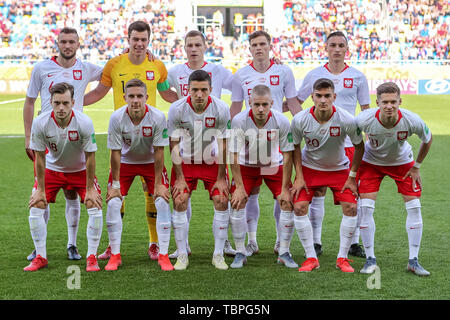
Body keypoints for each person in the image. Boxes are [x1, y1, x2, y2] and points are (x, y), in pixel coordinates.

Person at [84, 21, 178, 261]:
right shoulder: (114, 64)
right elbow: (98, 92)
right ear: (128, 39)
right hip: (122, 136)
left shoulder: (157, 65)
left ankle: (154, 243)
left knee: (153, 192)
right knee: (116, 193)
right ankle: (112, 247)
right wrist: (73, 103)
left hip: (151, 136)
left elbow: (166, 93)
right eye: (135, 39)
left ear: (149, 41)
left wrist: (187, 100)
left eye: (143, 40)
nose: (139, 43)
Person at [23, 27, 103, 262]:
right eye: (63, 41)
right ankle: (40, 248)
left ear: (78, 44)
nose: (67, 45)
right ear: (57, 43)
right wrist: (28, 136)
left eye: (71, 42)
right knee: (41, 193)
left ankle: (72, 244)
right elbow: (29, 102)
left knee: (72, 194)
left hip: (75, 134)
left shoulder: (86, 68)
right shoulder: (42, 68)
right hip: (46, 135)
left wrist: (81, 104)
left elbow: (108, 78)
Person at [293, 31, 370, 258]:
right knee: (317, 193)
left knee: (353, 193)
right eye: (332, 45)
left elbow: (366, 111)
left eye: (341, 45)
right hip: (320, 142)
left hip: (348, 142)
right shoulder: (314, 74)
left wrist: (368, 140)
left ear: (347, 49)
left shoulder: (358, 76)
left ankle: (354, 243)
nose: (337, 49)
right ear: (325, 48)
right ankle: (316, 241)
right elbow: (297, 101)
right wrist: (306, 126)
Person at [230, 30, 301, 257]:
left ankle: (281, 242)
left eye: (263, 44)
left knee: (281, 193)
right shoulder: (241, 74)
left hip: (275, 141)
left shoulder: (283, 71)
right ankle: (251, 241)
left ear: (270, 46)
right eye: (254, 45)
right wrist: (223, 133)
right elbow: (236, 108)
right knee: (251, 193)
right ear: (249, 48)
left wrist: (304, 131)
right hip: (249, 143)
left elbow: (293, 104)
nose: (259, 48)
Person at [167, 29, 235, 258]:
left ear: (211, 90)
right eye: (194, 90)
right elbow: (173, 144)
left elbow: (224, 144)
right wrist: (178, 176)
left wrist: (221, 177)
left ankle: (221, 248)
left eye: (203, 90)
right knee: (179, 198)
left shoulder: (220, 108)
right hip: (185, 160)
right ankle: (181, 247)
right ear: (187, 89)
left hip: (211, 160)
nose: (199, 94)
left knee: (221, 198)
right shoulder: (176, 109)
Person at [355, 82, 432, 276]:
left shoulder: (411, 119)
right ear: (377, 102)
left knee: (414, 207)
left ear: (400, 101)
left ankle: (413, 261)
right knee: (365, 208)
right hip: (371, 163)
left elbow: (428, 138)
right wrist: (352, 173)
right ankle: (370, 260)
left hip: (402, 163)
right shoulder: (363, 119)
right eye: (385, 102)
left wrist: (417, 166)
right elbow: (354, 143)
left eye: (393, 101)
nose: (389, 106)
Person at [290, 78, 364, 273]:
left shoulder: (346, 118)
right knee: (298, 207)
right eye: (318, 96)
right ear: (312, 97)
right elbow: (295, 146)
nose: (323, 100)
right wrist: (298, 176)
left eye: (327, 96)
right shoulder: (300, 119)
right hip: (310, 168)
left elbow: (359, 146)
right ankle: (311, 258)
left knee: (351, 207)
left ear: (334, 97)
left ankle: (342, 258)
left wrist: (352, 176)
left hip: (339, 170)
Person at [105, 79, 172, 271]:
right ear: (124, 97)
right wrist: (115, 184)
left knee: (162, 201)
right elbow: (115, 152)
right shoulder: (116, 118)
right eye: (131, 96)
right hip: (125, 163)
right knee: (113, 202)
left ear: (147, 97)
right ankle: (115, 255)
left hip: (151, 163)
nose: (135, 100)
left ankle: (163, 255)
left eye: (139, 96)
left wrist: (159, 184)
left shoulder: (158, 117)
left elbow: (160, 151)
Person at [228, 85, 299, 269]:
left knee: (288, 201)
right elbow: (233, 154)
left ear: (272, 104)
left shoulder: (281, 121)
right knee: (238, 201)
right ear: (249, 103)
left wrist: (284, 189)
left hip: (272, 166)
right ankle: (240, 252)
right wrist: (240, 187)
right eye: (256, 104)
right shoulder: (239, 120)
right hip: (246, 166)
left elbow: (288, 154)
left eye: (264, 105)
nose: (260, 109)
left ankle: (284, 251)